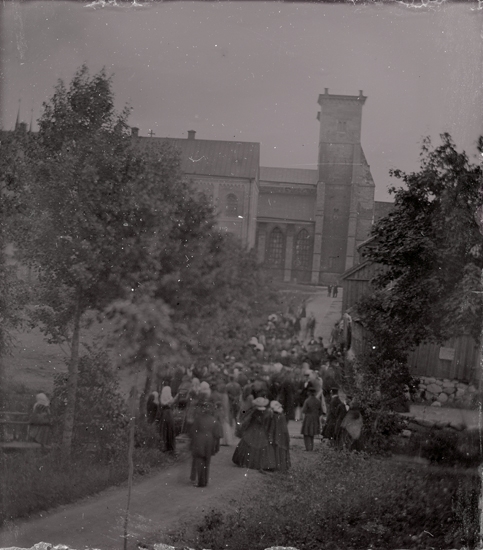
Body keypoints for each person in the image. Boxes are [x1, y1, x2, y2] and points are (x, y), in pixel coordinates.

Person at [232, 397, 276, 471]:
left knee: (248, 444)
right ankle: (261, 464)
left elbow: (247, 420)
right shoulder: (268, 413)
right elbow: (269, 424)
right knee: (262, 445)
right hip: (262, 431)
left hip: (252, 429)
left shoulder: (253, 411)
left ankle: (247, 462)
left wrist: (242, 428)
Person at [189, 394, 220, 488]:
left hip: (199, 440)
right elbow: (217, 435)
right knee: (207, 461)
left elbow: (193, 431)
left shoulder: (198, 419)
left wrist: (192, 443)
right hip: (209, 441)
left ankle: (200, 481)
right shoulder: (214, 420)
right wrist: (216, 447)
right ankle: (204, 481)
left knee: (199, 460)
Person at [269, 401, 291, 471]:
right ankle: (284, 467)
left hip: (277, 436)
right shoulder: (282, 415)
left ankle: (277, 467)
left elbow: (272, 428)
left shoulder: (274, 417)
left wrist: (270, 437)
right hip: (284, 435)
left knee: (277, 451)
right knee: (283, 451)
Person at [301, 386, 323, 451]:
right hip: (315, 418)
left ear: (309, 393)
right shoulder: (318, 401)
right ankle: (311, 447)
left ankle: (308, 448)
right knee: (312, 433)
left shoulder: (307, 401)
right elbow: (321, 412)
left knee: (306, 434)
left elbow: (303, 411)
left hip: (308, 418)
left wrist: (303, 420)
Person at [157, 386, 177, 453]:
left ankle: (166, 446)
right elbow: (166, 403)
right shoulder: (166, 398)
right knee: (168, 428)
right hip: (168, 414)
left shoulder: (164, 398)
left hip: (166, 414)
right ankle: (168, 446)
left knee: (166, 429)